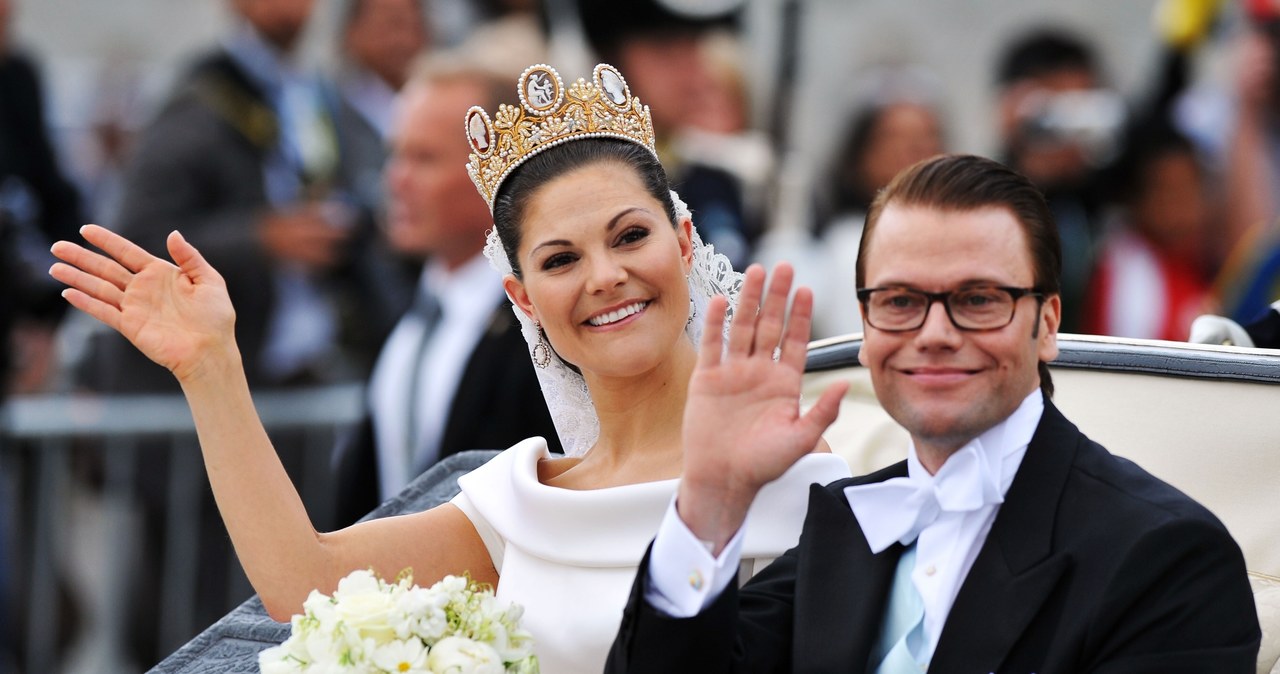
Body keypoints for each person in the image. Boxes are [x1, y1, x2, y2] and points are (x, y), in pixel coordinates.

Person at [48, 62, 850, 673]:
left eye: (631, 236)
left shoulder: (783, 469)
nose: (605, 276)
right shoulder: (520, 499)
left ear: (682, 242)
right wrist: (211, 368)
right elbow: (306, 580)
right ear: (523, 296)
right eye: (561, 258)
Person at [606, 154, 1261, 673]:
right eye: (899, 301)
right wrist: (712, 500)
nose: (935, 333)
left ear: (1048, 323)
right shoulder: (848, 523)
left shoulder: (1168, 557)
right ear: (864, 327)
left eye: (978, 299)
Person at [81, 0, 403, 394]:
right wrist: (260, 238)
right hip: (211, 378)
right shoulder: (199, 99)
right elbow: (139, 235)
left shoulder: (311, 93)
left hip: (300, 367)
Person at [330, 56, 560, 526]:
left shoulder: (545, 328)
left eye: (424, 158)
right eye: (395, 154)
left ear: (498, 171)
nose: (395, 179)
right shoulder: (411, 314)